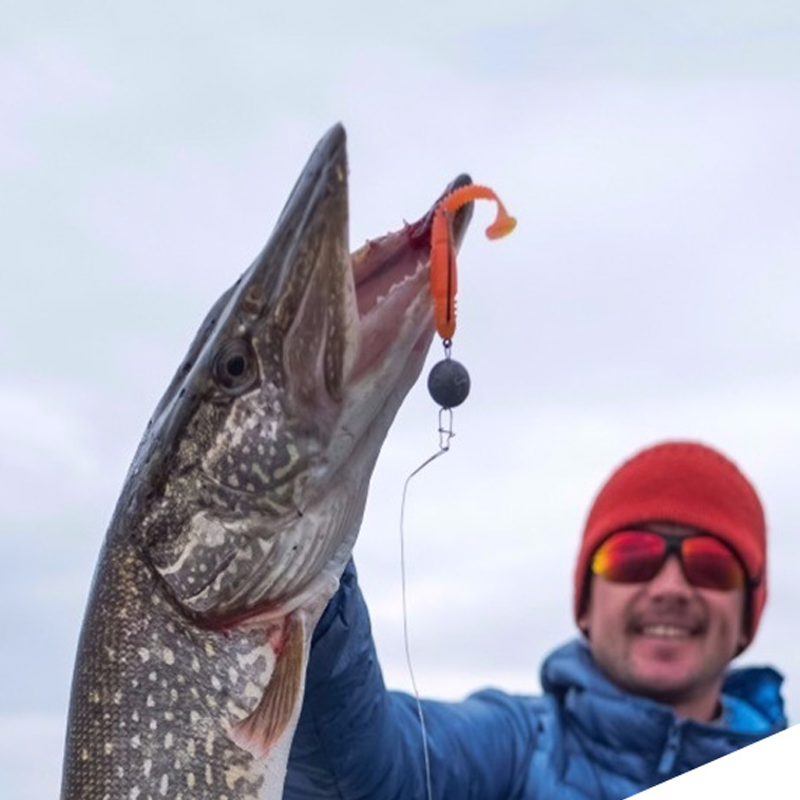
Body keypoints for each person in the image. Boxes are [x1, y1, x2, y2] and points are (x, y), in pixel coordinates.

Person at [285, 440, 787, 799]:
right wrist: (296, 558)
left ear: (747, 615)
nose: (671, 588)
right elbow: (355, 773)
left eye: (711, 566)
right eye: (633, 557)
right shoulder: (514, 744)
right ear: (587, 604)